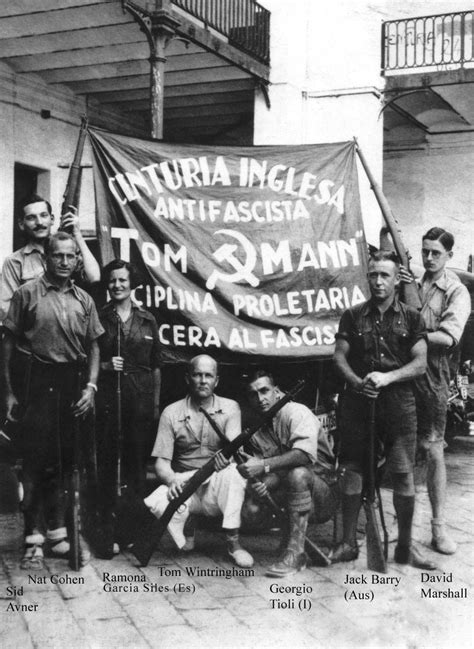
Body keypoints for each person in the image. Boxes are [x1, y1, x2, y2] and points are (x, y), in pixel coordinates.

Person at [1, 231, 104, 569]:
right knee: (33, 464)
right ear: (46, 258)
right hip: (36, 383)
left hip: (73, 386)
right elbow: (8, 344)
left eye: (70, 256)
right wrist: (11, 393)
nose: (64, 261)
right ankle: (33, 537)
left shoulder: (85, 300)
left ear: (77, 260)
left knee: (68, 465)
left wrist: (90, 387)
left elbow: (93, 346)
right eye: (57, 255)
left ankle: (59, 534)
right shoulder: (26, 293)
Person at [332, 250, 436, 569]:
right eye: (373, 274)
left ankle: (404, 547)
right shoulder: (352, 315)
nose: (378, 281)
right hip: (359, 405)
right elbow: (338, 356)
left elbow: (420, 364)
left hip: (398, 405)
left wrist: (389, 377)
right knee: (352, 473)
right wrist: (355, 382)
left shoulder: (412, 317)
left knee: (403, 476)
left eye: (385, 276)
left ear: (396, 280)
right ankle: (348, 543)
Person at [145, 354, 253, 568]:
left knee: (234, 473)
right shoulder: (171, 412)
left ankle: (233, 542)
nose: (203, 380)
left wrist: (223, 461)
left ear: (217, 381)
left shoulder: (231, 408)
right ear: (188, 378)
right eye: (197, 375)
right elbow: (161, 464)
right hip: (185, 485)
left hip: (215, 482)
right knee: (158, 502)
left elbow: (234, 451)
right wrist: (172, 481)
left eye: (208, 375)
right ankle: (188, 525)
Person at [401, 228, 470, 555]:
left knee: (432, 450)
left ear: (449, 256)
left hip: (434, 375)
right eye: (425, 251)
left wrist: (415, 336)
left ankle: (439, 529)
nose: (429, 258)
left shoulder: (457, 292)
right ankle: (404, 532)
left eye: (436, 253)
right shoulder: (413, 282)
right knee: (401, 448)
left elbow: (448, 337)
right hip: (403, 373)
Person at [238, 369, 337, 577]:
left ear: (277, 391)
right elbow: (274, 470)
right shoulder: (258, 428)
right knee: (251, 510)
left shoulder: (296, 412)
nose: (260, 398)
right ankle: (290, 535)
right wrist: (262, 482)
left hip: (322, 495)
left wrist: (263, 466)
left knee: (298, 474)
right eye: (253, 394)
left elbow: (302, 456)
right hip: (290, 489)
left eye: (264, 391)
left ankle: (296, 553)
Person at [95, 259, 161, 555]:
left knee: (136, 468)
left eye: (122, 280)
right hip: (109, 404)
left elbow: (157, 366)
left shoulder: (148, 319)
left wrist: (155, 404)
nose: (117, 285)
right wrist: (107, 365)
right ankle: (108, 534)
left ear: (131, 284)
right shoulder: (98, 317)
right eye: (112, 281)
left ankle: (133, 532)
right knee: (109, 467)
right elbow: (87, 358)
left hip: (140, 405)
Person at [0, 194, 100, 320]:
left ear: (52, 219)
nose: (39, 222)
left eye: (44, 215)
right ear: (21, 224)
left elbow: (94, 278)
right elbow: (6, 310)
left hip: (72, 327)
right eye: (31, 218)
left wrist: (77, 234)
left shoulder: (68, 254)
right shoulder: (15, 262)